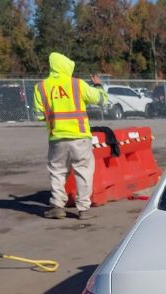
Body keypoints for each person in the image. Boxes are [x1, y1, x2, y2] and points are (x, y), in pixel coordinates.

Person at [34, 52, 107, 220]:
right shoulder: (77, 84)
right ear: (67, 66)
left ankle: (57, 206)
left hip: (57, 137)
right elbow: (100, 100)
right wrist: (98, 85)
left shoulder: (41, 87)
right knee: (83, 171)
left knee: (58, 172)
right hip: (79, 136)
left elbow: (39, 115)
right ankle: (84, 209)